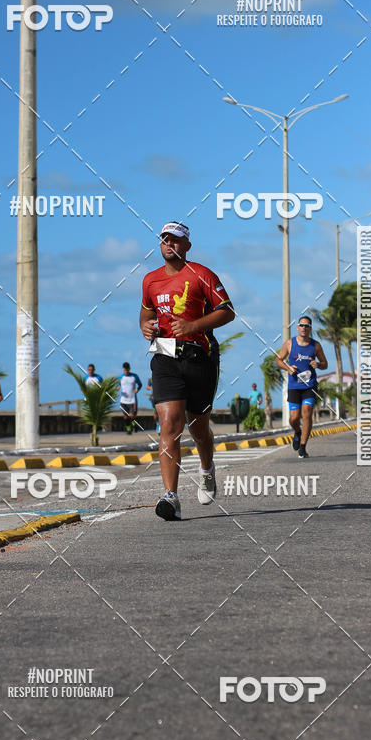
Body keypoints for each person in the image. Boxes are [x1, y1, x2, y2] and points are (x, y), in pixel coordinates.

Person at [140, 221, 235, 521]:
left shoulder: (201, 274)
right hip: (164, 357)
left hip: (199, 358)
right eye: (165, 239)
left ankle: (207, 469)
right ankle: (171, 497)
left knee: (198, 428)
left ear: (187, 246)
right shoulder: (150, 280)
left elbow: (228, 311)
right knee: (170, 424)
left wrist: (193, 326)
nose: (169, 244)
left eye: (176, 240)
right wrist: (145, 326)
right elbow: (146, 312)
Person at [275, 316, 328, 459]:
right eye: (301, 325)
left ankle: (303, 447)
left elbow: (325, 364)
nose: (304, 328)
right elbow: (278, 360)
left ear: (310, 328)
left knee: (307, 412)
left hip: (309, 386)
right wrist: (288, 368)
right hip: (294, 386)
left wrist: (318, 364)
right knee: (293, 418)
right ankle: (297, 432)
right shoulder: (289, 343)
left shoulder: (315, 345)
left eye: (307, 325)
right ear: (297, 327)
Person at [118, 362, 142, 434]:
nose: (126, 371)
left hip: (132, 400)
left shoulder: (134, 376)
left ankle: (134, 425)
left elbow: (140, 384)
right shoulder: (121, 377)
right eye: (125, 370)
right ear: (123, 369)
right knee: (125, 416)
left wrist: (137, 389)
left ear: (129, 369)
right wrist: (116, 388)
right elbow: (118, 386)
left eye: (127, 370)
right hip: (123, 400)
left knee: (132, 416)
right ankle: (128, 430)